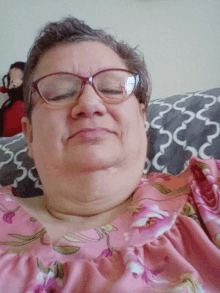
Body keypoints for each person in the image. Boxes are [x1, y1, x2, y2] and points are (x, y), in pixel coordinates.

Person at [0, 17, 219, 293]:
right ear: (29, 135)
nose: (90, 104)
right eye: (60, 93)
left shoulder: (210, 192)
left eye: (112, 88)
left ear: (142, 119)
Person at [0, 61, 26, 137]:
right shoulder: (7, 105)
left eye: (21, 78)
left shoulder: (31, 104)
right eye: (11, 80)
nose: (14, 82)